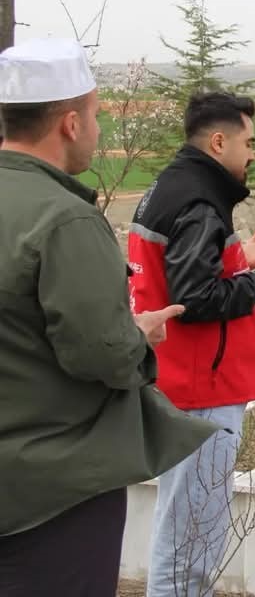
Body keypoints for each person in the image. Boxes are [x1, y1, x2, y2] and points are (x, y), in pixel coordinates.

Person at [0, 38, 218, 597]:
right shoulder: (65, 220)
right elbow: (101, 355)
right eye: (96, 115)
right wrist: (138, 335)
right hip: (53, 493)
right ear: (70, 123)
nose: (98, 130)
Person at [128, 92, 255, 597]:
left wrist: (241, 259)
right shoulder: (200, 201)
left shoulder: (175, 184)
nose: (253, 153)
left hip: (185, 380)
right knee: (191, 540)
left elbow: (183, 273)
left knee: (183, 525)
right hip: (202, 389)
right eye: (249, 143)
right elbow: (196, 298)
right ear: (219, 140)